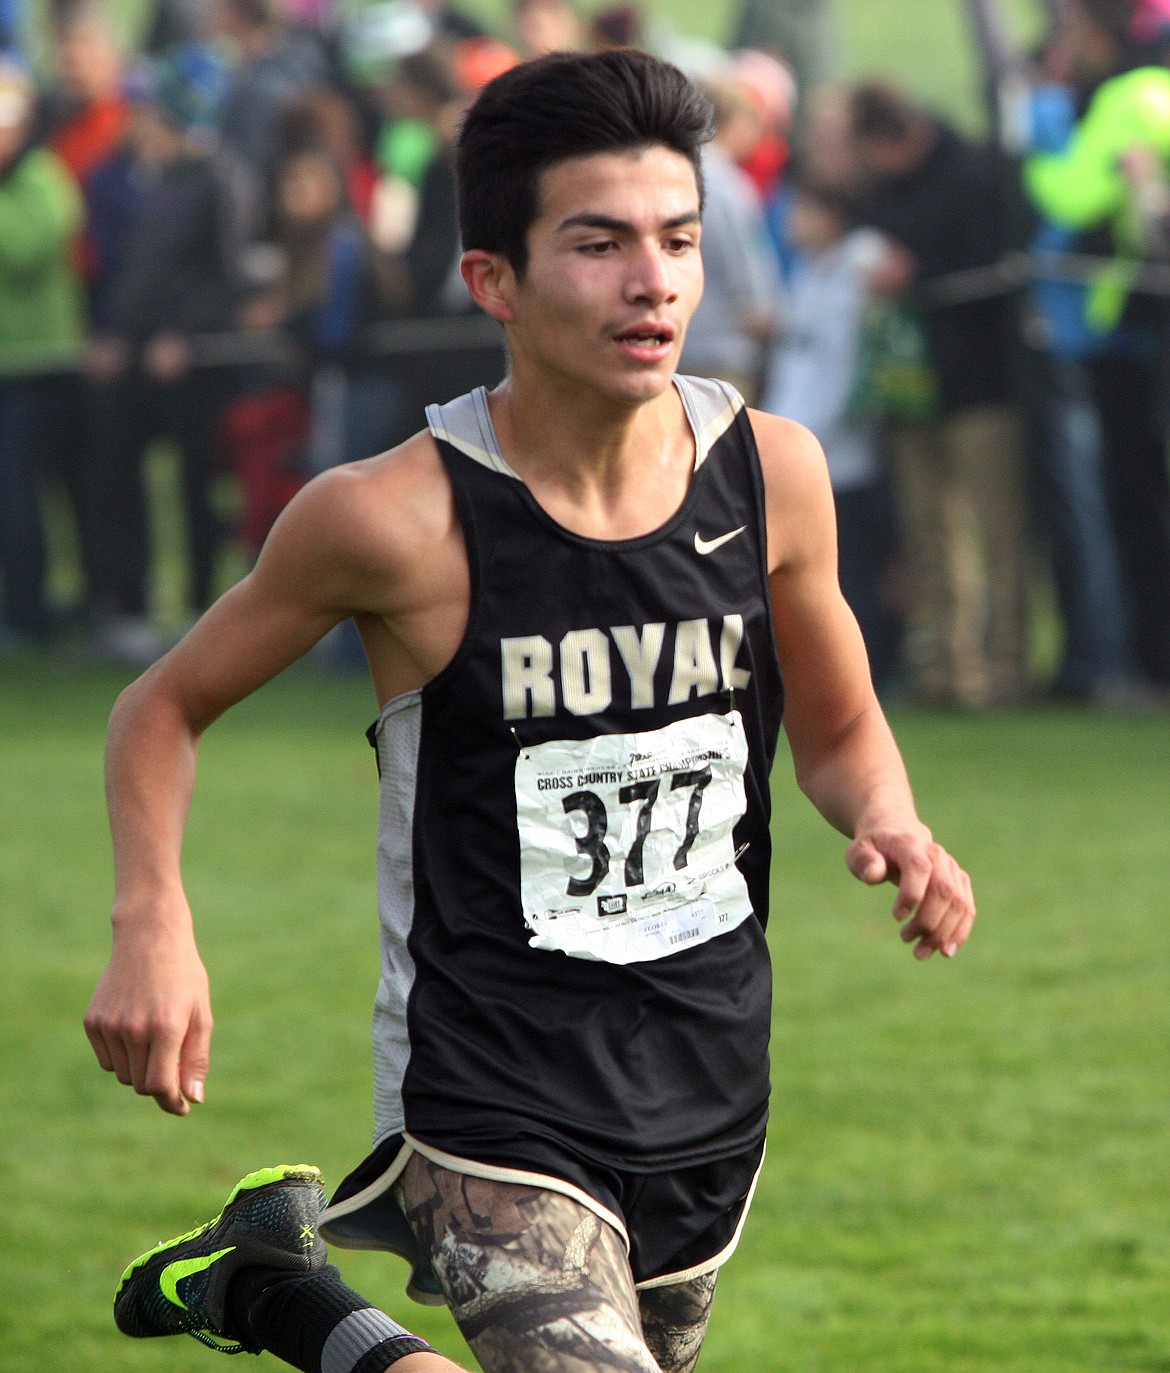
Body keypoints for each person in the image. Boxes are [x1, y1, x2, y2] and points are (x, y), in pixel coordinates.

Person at [84, 49, 976, 1373]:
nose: (654, 280)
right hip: (487, 1080)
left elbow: (836, 732)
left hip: (709, 1080)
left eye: (677, 238)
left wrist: (892, 819)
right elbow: (161, 706)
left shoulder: (771, 476)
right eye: (598, 243)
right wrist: (152, 919)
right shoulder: (394, 519)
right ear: (490, 278)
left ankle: (286, 1296)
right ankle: (292, 1297)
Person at [849, 81, 1031, 709]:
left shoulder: (976, 175)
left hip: (981, 386)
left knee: (996, 531)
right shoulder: (880, 193)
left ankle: (1005, 667)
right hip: (912, 390)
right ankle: (951, 667)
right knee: (930, 535)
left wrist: (916, 274)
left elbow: (992, 265)